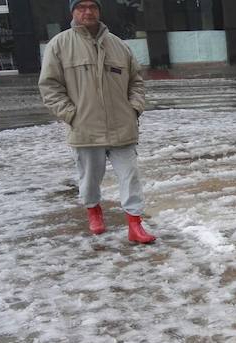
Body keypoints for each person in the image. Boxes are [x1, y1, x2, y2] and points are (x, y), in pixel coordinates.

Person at [38, 0, 155, 244]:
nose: (87, 12)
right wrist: (71, 115)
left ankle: (135, 224)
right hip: (85, 128)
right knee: (89, 178)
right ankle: (94, 211)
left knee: (130, 176)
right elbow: (49, 86)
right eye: (81, 7)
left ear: (99, 11)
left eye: (92, 6)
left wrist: (134, 109)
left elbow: (136, 82)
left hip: (122, 126)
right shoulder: (59, 45)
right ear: (73, 12)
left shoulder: (119, 46)